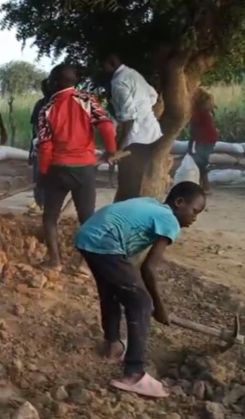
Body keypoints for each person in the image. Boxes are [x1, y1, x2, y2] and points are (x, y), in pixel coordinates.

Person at [75, 181, 206, 398]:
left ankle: (113, 347)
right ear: (179, 202)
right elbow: (149, 268)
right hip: (105, 240)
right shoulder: (169, 220)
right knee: (142, 302)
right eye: (194, 211)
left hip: (88, 235)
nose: (194, 218)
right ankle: (134, 373)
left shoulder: (152, 205)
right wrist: (158, 307)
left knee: (111, 293)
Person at [37, 64, 117, 270]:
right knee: (87, 218)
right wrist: (111, 151)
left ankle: (55, 261)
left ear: (55, 82)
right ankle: (84, 265)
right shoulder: (87, 100)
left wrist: (44, 173)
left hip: (57, 168)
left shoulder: (46, 108)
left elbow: (45, 146)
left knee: (50, 217)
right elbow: (106, 126)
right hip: (84, 168)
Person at [101, 54, 161, 149]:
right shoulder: (133, 74)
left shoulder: (118, 82)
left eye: (103, 65)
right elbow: (153, 95)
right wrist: (142, 109)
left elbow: (128, 116)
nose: (102, 69)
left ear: (112, 63)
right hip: (153, 132)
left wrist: (119, 147)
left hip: (135, 140)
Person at [27, 78, 50, 211]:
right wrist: (32, 150)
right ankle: (39, 203)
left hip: (57, 149)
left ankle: (48, 205)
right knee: (38, 176)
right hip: (40, 148)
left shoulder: (60, 104)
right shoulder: (40, 104)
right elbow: (34, 129)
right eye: (43, 87)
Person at [189, 88, 218, 193]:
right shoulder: (206, 110)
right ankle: (203, 185)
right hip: (209, 139)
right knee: (201, 161)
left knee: (200, 162)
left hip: (202, 139)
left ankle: (206, 186)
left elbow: (194, 124)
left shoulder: (199, 111)